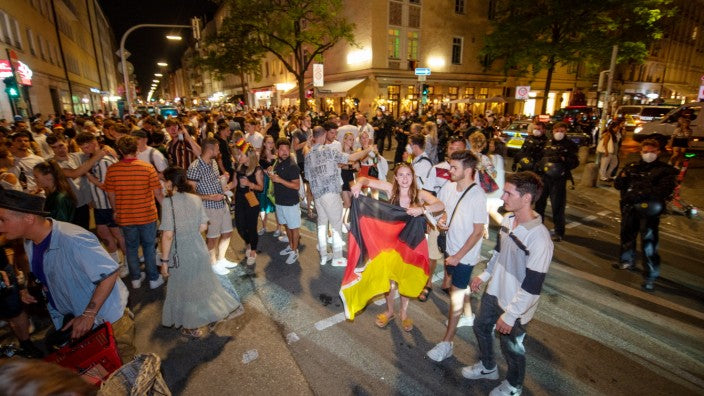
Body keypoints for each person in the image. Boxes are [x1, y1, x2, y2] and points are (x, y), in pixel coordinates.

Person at [0, 189, 135, 363]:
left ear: (28, 218)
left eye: (3, 220)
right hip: (75, 320)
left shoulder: (73, 238)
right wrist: (31, 290)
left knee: (127, 370)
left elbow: (109, 274)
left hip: (107, 321)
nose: (0, 226)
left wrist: (88, 314)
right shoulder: (30, 242)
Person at [463, 171, 553, 396]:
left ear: (526, 198)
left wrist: (511, 315)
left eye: (508, 193)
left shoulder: (540, 238)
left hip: (516, 303)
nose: (502, 197)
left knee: (511, 347)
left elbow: (533, 285)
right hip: (494, 291)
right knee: (480, 326)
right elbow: (498, 253)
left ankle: (514, 386)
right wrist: (484, 276)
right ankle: (488, 367)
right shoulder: (508, 220)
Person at [352, 163, 444, 332]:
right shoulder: (390, 189)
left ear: (413, 176)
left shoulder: (420, 194)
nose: (404, 178)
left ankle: (403, 313)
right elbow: (366, 179)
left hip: (411, 244)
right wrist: (358, 184)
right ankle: (389, 311)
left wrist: (422, 209)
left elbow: (440, 205)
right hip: (391, 241)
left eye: (408, 175)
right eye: (400, 175)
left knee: (405, 277)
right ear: (395, 178)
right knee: (389, 278)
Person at [158, 167, 241, 338]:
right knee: (205, 285)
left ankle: (192, 326)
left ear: (170, 182)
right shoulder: (195, 198)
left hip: (181, 251)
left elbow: (167, 235)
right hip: (198, 247)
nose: (162, 184)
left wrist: (164, 261)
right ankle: (213, 314)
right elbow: (204, 226)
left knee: (186, 290)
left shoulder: (169, 202)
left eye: (163, 181)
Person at [426, 150, 487, 362]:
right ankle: (468, 316)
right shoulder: (448, 188)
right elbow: (443, 212)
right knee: (459, 287)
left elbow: (478, 231)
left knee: (455, 295)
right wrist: (441, 221)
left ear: (468, 170)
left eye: (454, 167)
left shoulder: (477, 195)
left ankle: (447, 343)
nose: (449, 170)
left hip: (464, 256)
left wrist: (458, 256)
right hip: (451, 250)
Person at [305, 126, 376, 266]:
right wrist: (368, 149)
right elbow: (351, 157)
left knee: (322, 225)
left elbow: (307, 176)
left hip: (317, 195)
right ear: (324, 135)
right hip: (330, 193)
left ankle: (324, 255)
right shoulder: (329, 150)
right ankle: (337, 257)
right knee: (336, 226)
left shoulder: (308, 155)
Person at [613, 139, 677, 291]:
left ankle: (650, 275)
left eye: (652, 151)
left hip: (649, 210)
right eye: (646, 151)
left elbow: (664, 190)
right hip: (630, 207)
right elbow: (618, 185)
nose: (649, 154)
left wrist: (640, 192)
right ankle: (626, 260)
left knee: (649, 242)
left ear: (658, 152)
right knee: (627, 235)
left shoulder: (665, 170)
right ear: (641, 152)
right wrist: (622, 178)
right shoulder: (632, 167)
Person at [104, 136, 165, 290]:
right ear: (136, 149)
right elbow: (158, 194)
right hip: (147, 215)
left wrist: (115, 210)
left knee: (131, 248)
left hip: (125, 216)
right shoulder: (147, 168)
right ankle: (153, 278)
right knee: (149, 247)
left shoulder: (112, 170)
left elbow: (111, 194)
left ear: (120, 151)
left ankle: (135, 279)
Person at [420, 135, 467, 301]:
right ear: (447, 150)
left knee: (452, 253)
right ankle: (428, 282)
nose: (455, 152)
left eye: (459, 149)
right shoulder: (437, 169)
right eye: (452, 148)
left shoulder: (470, 172)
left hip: (460, 220)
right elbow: (427, 193)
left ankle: (447, 282)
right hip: (438, 218)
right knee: (433, 253)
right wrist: (428, 218)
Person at [74, 133, 127, 276]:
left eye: (87, 146)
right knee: (103, 233)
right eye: (82, 148)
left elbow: (107, 186)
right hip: (99, 205)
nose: (85, 150)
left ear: (94, 143)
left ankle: (128, 262)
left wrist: (90, 177)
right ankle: (116, 263)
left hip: (109, 204)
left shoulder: (104, 160)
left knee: (118, 235)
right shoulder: (91, 159)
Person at [187, 138, 236, 275]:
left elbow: (213, 181)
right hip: (209, 207)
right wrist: (210, 197)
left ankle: (221, 259)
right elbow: (190, 193)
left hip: (222, 203)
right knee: (212, 237)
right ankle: (212, 263)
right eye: (217, 148)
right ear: (210, 149)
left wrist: (222, 179)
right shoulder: (195, 167)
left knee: (227, 233)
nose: (219, 151)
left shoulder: (213, 162)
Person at [534, 122, 579, 242]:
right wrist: (539, 165)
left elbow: (575, 162)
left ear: (566, 132)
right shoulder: (547, 143)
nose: (559, 133)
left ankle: (559, 232)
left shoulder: (570, 145)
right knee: (539, 204)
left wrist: (563, 160)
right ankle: (538, 228)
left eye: (562, 131)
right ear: (552, 131)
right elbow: (539, 157)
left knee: (557, 206)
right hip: (544, 177)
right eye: (557, 130)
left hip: (558, 179)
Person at [269, 138, 303, 265]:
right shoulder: (278, 163)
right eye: (282, 150)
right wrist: (271, 174)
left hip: (291, 203)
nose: (284, 152)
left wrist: (279, 180)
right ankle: (290, 245)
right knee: (287, 226)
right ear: (277, 151)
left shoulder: (292, 166)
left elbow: (296, 186)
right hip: (280, 202)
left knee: (294, 227)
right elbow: (277, 178)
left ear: (289, 151)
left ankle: (294, 251)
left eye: (287, 150)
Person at [233, 140, 264, 266]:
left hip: (251, 200)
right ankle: (249, 243)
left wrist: (249, 184)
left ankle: (253, 250)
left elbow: (261, 187)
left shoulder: (257, 170)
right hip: (240, 198)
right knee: (240, 226)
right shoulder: (238, 167)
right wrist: (222, 187)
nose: (238, 156)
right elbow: (234, 183)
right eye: (238, 154)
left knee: (251, 226)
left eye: (241, 155)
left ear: (248, 156)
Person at [258, 135, 281, 236]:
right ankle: (263, 226)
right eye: (268, 142)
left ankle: (279, 227)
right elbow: (260, 170)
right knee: (263, 207)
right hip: (264, 183)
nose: (271, 145)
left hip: (274, 183)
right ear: (264, 143)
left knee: (277, 206)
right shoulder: (260, 157)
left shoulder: (276, 155)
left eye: (272, 142)